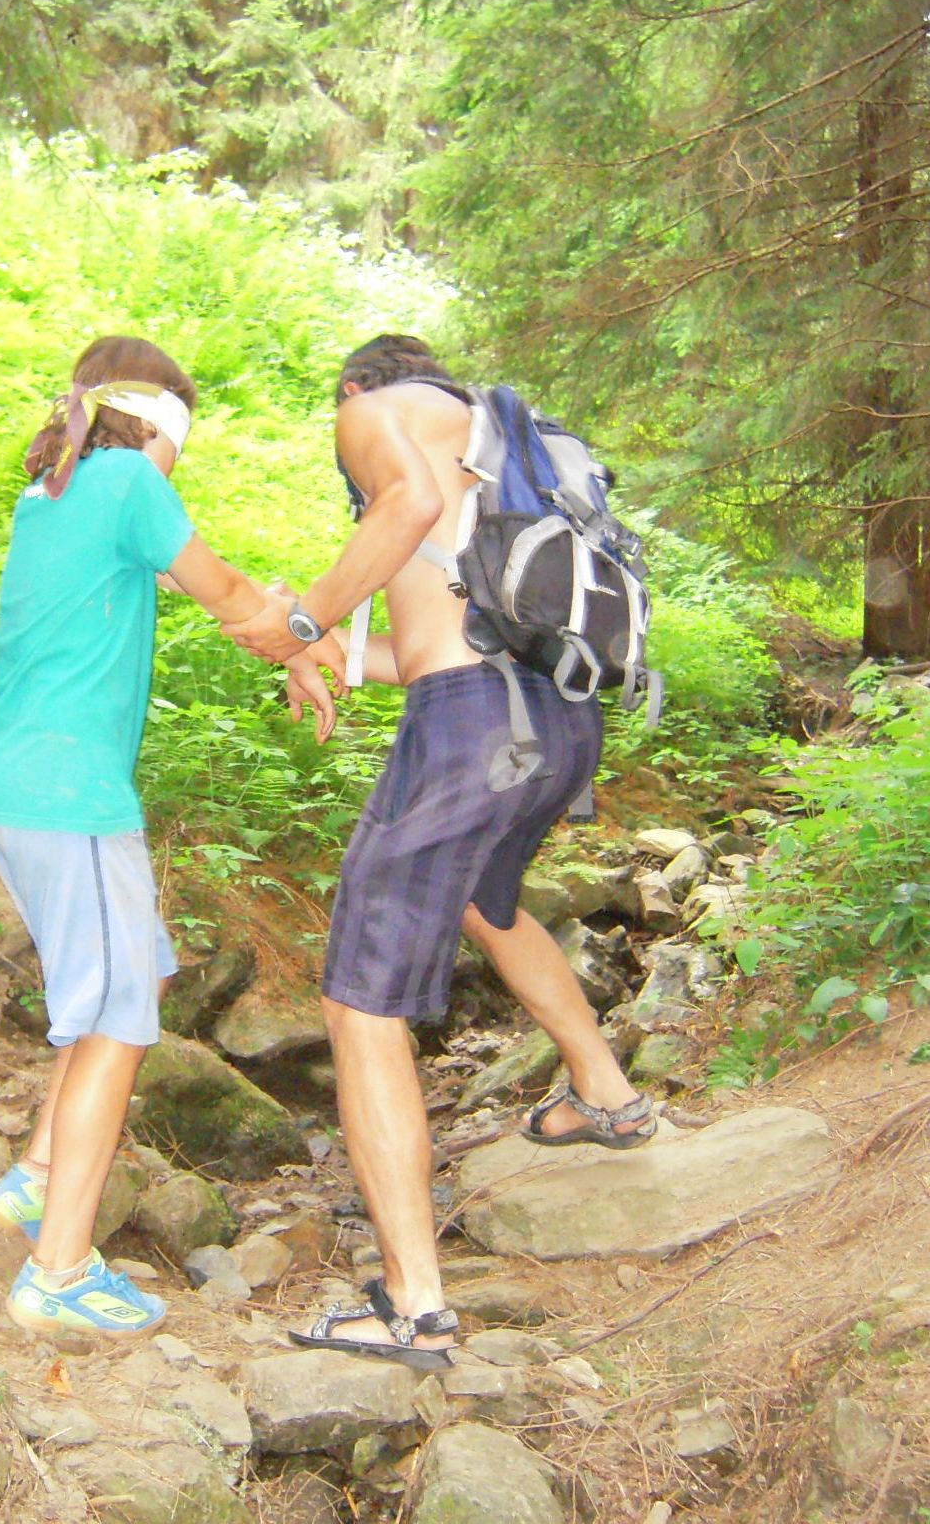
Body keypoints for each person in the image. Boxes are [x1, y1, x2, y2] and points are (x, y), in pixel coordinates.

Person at [226, 334, 654, 1370]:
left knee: (359, 1003)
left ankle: (413, 1307)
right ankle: (607, 1094)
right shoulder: (493, 450)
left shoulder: (374, 411)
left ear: (354, 388)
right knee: (483, 905)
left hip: (471, 731)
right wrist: (330, 649)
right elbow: (428, 647)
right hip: (555, 720)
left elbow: (403, 506)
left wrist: (300, 618)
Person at [0, 335, 338, 1340]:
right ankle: (57, 1271)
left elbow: (215, 589)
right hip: (67, 794)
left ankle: (37, 1177)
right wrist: (306, 639)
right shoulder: (129, 483)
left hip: (15, 782)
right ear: (159, 432)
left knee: (141, 975)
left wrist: (286, 630)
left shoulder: (57, 492)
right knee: (117, 1020)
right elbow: (232, 598)